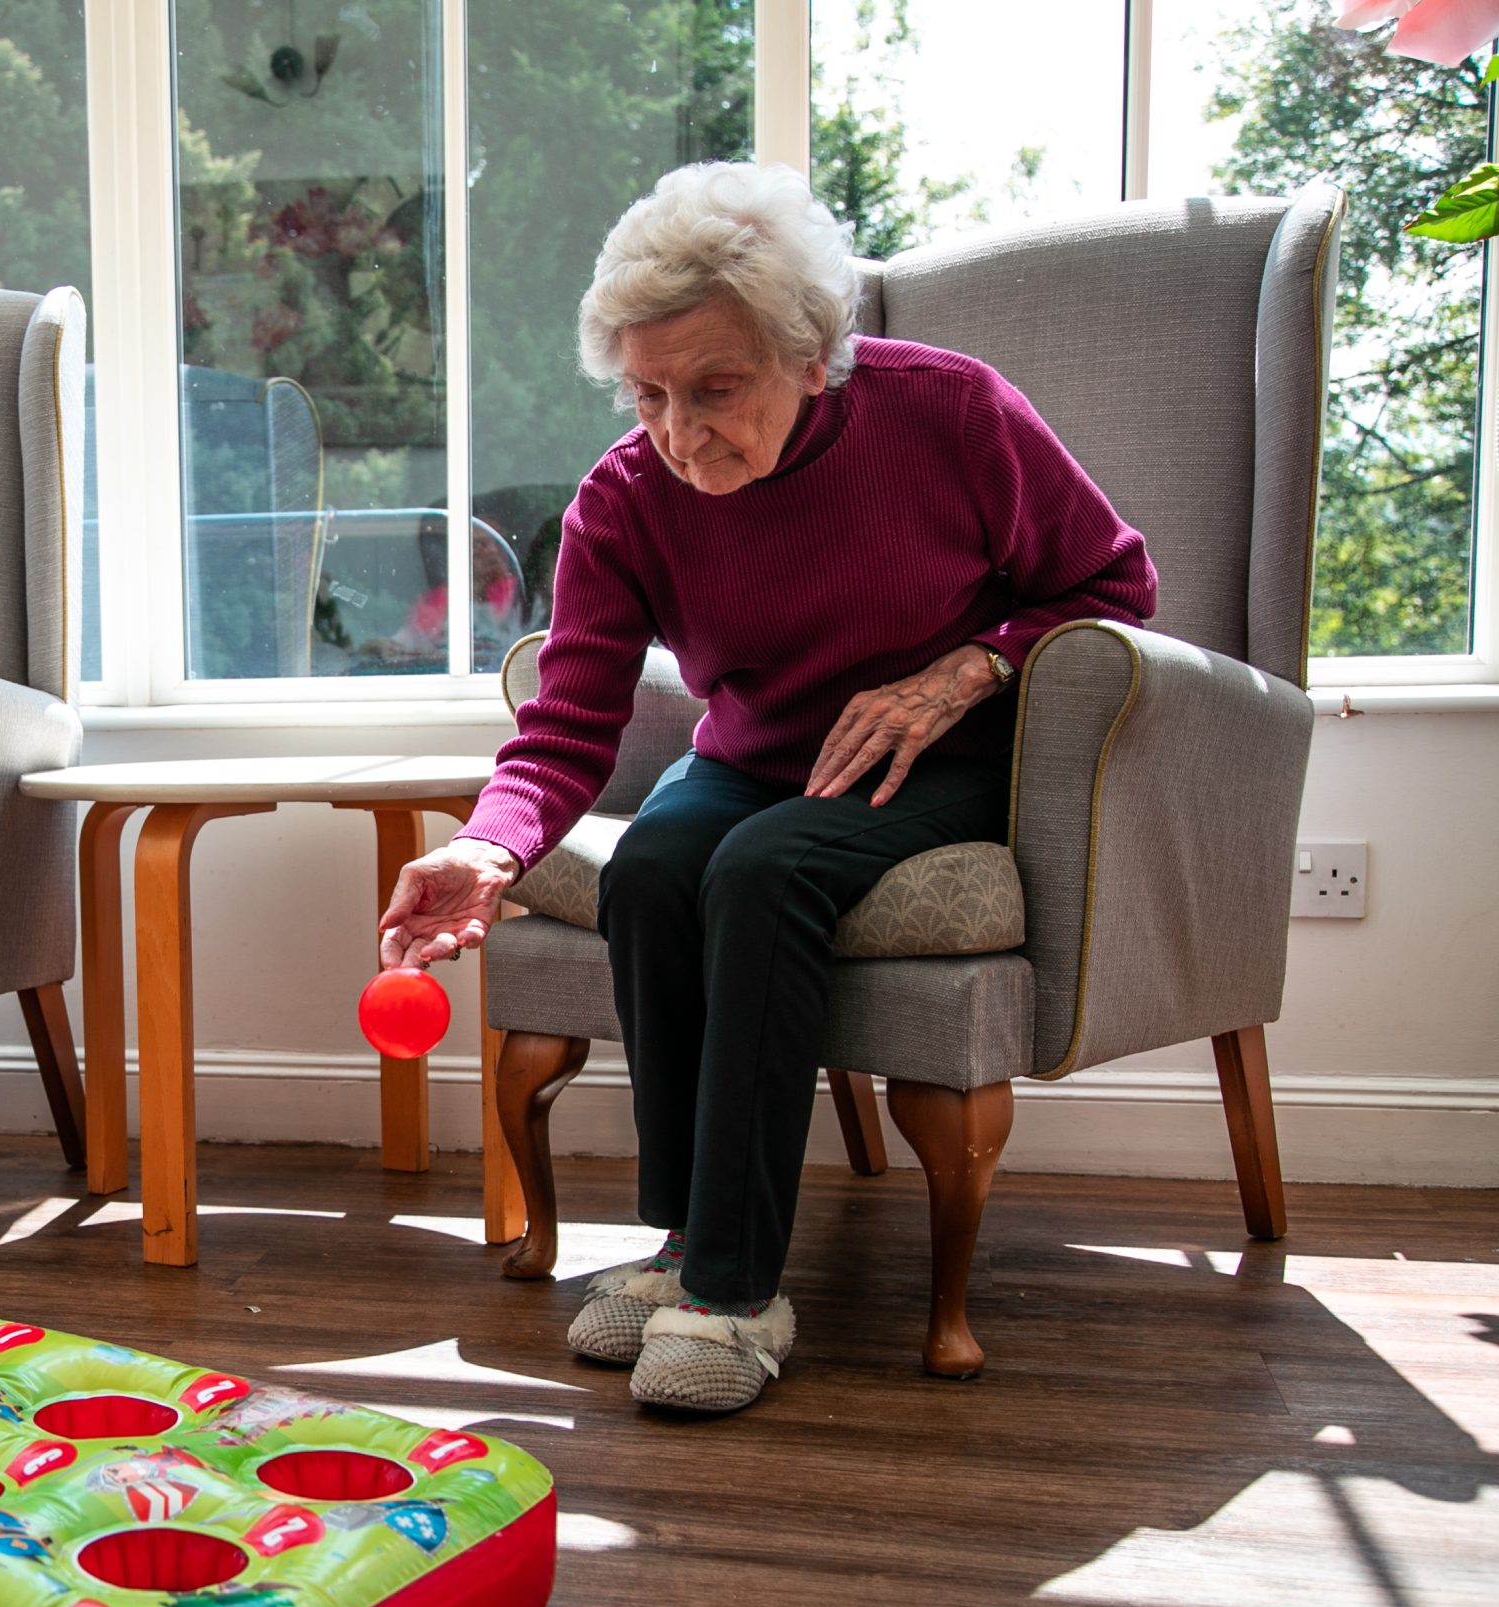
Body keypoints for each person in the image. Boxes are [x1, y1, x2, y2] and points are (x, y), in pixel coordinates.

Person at [378, 162, 1155, 1416]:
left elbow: (1114, 587)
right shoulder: (624, 499)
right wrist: (490, 849)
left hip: (942, 760)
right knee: (655, 866)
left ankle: (738, 1294)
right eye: (646, 396)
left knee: (765, 866)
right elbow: (569, 720)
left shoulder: (951, 415)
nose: (678, 435)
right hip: (749, 756)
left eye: (715, 389)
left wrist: (968, 668)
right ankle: (686, 1242)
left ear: (813, 353)